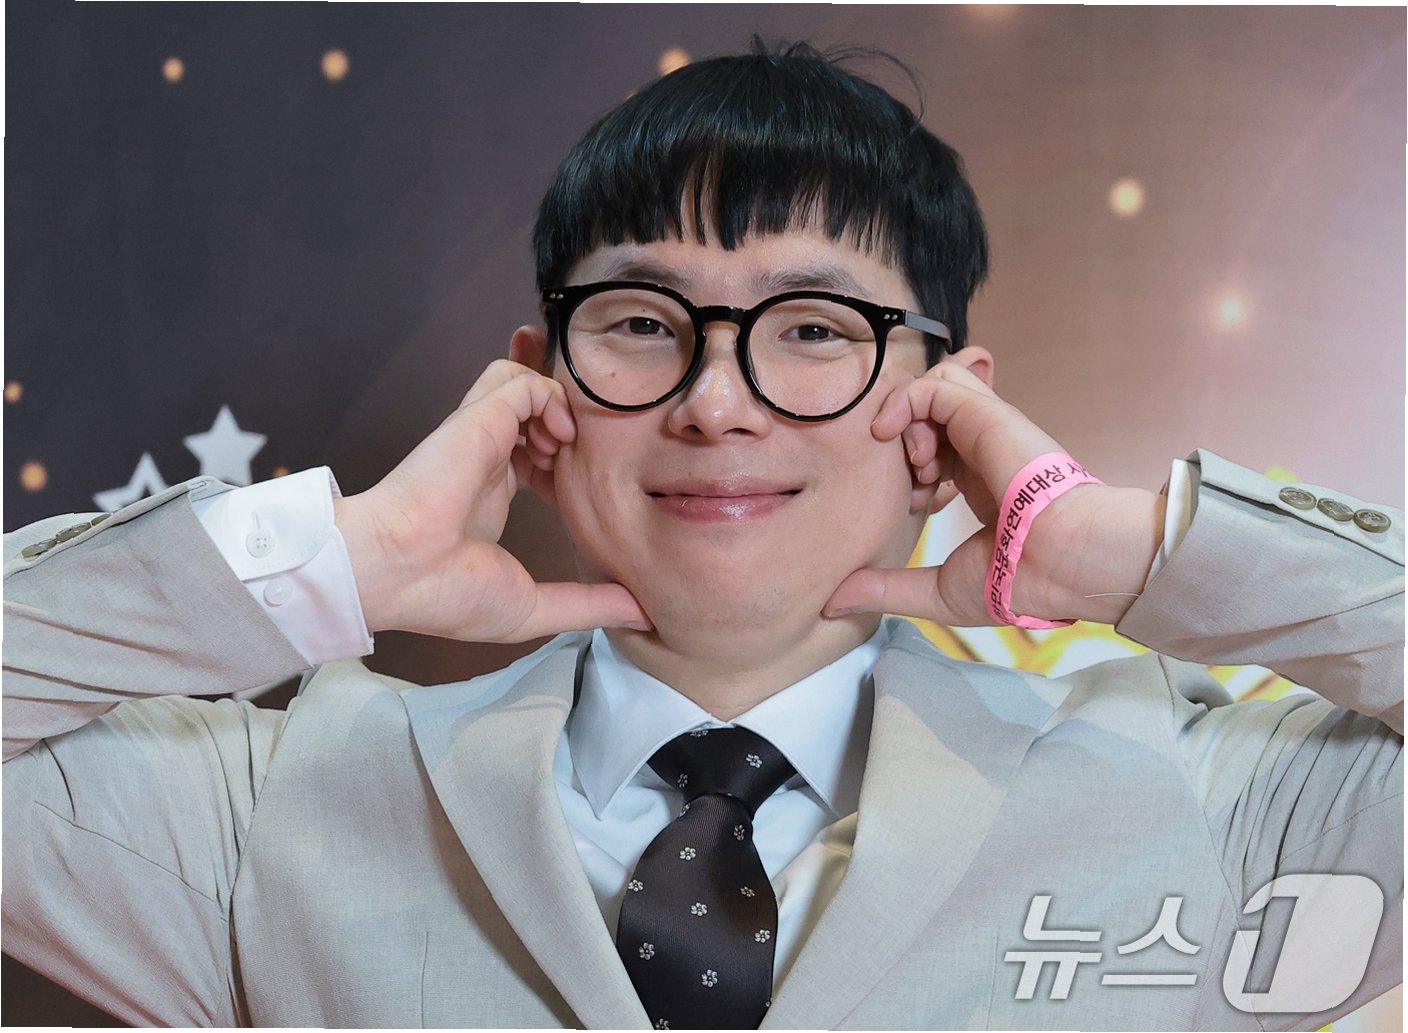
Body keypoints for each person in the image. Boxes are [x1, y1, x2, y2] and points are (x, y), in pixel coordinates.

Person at [3, 42, 1401, 1031]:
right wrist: (338, 562)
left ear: (947, 409)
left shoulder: (1187, 799)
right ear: (537, 391)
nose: (717, 403)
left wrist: (1131, 551)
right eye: (639, 323)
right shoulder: (278, 806)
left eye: (815, 330)